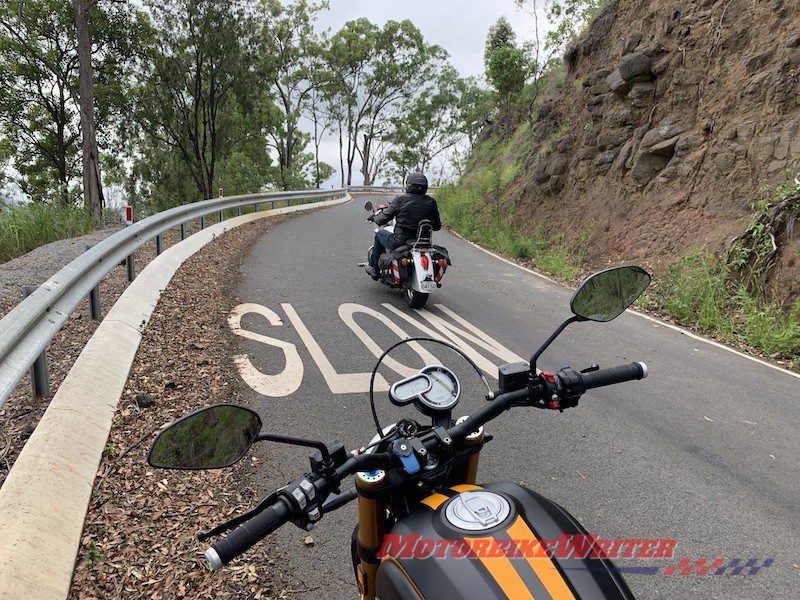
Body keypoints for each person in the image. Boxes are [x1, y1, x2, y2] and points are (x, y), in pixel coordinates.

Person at [365, 172, 441, 279]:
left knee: (379, 234)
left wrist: (374, 217)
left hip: (400, 242)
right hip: (424, 243)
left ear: (408, 185)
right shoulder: (431, 202)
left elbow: (382, 219)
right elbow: (437, 226)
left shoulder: (400, 200)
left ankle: (374, 268)